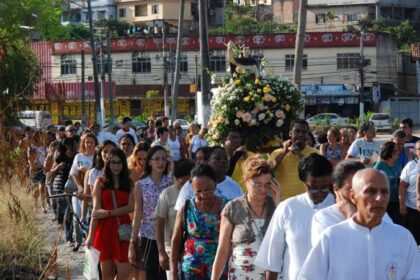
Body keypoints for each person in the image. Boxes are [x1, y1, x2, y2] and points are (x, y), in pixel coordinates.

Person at [299, 169, 420, 280]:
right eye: (371, 191)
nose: (379, 198)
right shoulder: (331, 237)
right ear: (353, 196)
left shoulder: (403, 238)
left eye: (384, 192)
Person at [254, 153, 335, 280]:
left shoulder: (341, 208)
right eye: (313, 187)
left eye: (324, 187)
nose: (319, 193)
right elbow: (272, 259)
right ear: (304, 181)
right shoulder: (287, 208)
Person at [211, 156, 281, 280]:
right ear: (246, 180)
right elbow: (222, 250)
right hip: (240, 275)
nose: (263, 190)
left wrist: (278, 205)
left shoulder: (277, 206)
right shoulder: (232, 208)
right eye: (258, 184)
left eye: (267, 184)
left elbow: (282, 243)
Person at [171, 164, 229, 279]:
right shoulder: (186, 208)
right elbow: (176, 240)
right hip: (191, 271)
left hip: (220, 270)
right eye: (198, 191)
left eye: (207, 190)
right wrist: (173, 273)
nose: (203, 195)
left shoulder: (227, 207)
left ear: (215, 184)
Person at [85, 148, 135, 280]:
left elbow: (131, 207)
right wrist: (90, 236)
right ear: (108, 163)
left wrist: (108, 213)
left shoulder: (128, 183)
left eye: (119, 162)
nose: (116, 166)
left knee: (125, 272)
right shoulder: (100, 182)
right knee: (107, 274)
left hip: (123, 229)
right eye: (113, 162)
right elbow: (96, 211)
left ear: (123, 164)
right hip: (104, 230)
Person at [129, 145, 173, 280]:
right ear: (149, 162)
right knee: (151, 276)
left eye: (163, 159)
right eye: (157, 159)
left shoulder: (171, 182)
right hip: (148, 237)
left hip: (168, 237)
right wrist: (132, 242)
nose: (160, 162)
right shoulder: (141, 185)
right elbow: (138, 215)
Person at [155, 159, 195, 279]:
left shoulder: (198, 192)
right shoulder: (167, 194)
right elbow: (159, 225)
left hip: (192, 250)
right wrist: (161, 252)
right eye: (181, 183)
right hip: (171, 249)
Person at [311, 160, 365, 246]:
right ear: (336, 189)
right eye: (351, 188)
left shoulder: (378, 213)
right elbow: (333, 252)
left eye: (362, 187)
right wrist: (351, 216)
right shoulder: (324, 217)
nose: (358, 193)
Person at [175, 146, 243, 211]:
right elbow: (180, 213)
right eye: (217, 158)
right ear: (207, 161)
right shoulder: (191, 185)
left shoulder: (235, 186)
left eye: (226, 158)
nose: (223, 161)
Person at [270, 119, 319, 200]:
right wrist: (284, 151)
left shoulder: (315, 153)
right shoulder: (278, 153)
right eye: (297, 131)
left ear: (307, 135)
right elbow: (269, 169)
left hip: (306, 200)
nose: (300, 134)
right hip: (282, 200)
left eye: (304, 132)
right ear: (290, 133)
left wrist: (298, 154)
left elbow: (315, 172)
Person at [69, 132, 98, 251]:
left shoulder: (97, 156)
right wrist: (80, 187)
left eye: (91, 142)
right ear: (83, 143)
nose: (89, 144)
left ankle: (91, 242)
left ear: (95, 143)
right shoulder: (79, 157)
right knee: (77, 217)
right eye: (87, 142)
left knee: (90, 217)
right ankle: (77, 240)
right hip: (79, 192)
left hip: (93, 193)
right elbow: (73, 174)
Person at [51, 138, 77, 245]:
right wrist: (58, 167)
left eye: (71, 145)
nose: (69, 147)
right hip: (63, 187)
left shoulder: (77, 156)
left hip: (76, 187)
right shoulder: (60, 157)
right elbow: (50, 172)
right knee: (68, 212)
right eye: (67, 145)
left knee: (75, 212)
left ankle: (76, 234)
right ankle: (69, 238)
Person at [374, 142, 402, 224]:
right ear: (390, 152)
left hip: (397, 200)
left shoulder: (398, 164)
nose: (398, 152)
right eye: (396, 150)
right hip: (385, 201)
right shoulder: (379, 166)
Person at [399, 139, 420, 244]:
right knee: (413, 240)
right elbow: (402, 186)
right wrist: (402, 205)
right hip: (413, 209)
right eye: (419, 149)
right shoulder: (411, 166)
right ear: (415, 151)